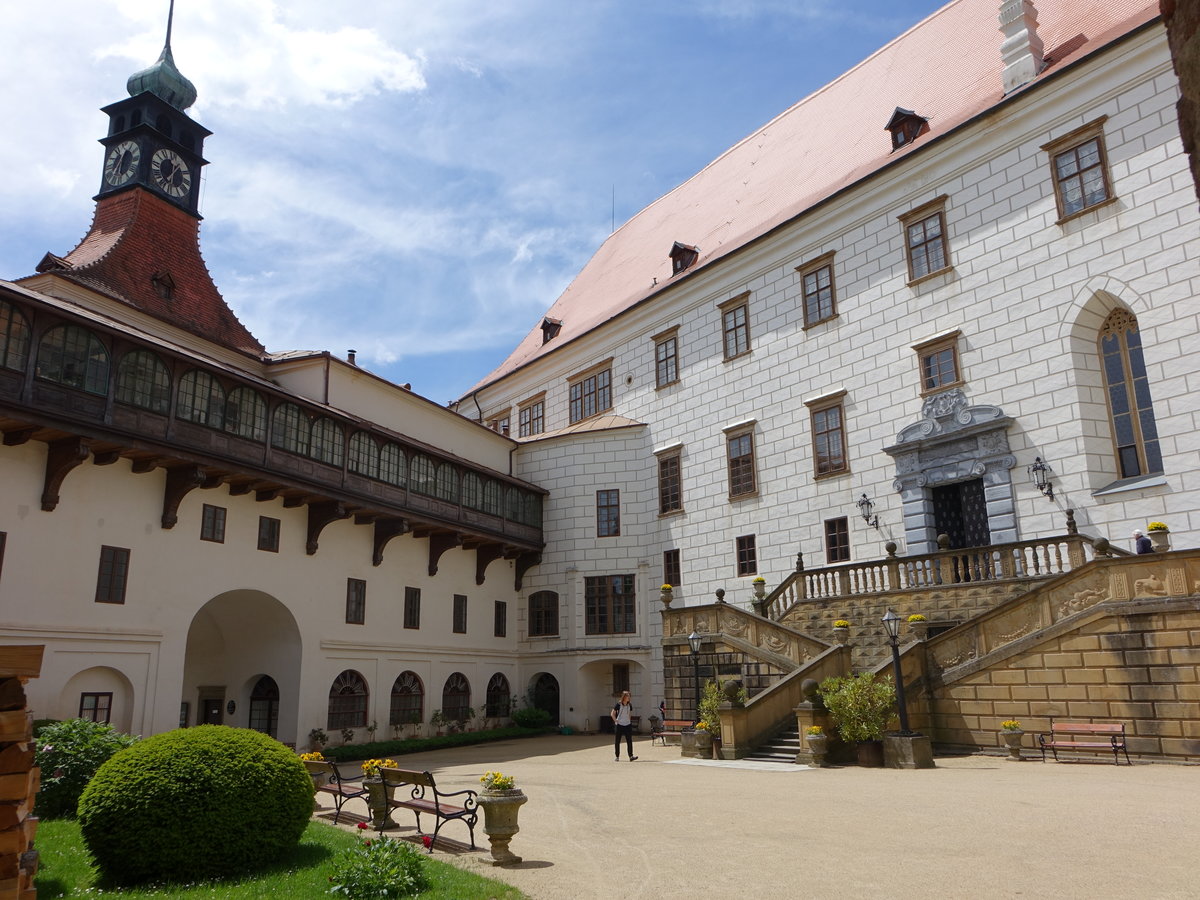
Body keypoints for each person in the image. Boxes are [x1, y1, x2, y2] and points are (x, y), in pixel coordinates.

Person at [611, 690, 638, 761]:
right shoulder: (618, 704)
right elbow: (612, 713)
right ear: (624, 697)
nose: (629, 697)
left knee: (629, 740)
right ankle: (617, 756)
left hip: (627, 724)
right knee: (617, 741)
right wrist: (616, 720)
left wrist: (629, 721)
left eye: (629, 696)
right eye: (627, 696)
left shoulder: (630, 705)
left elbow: (629, 714)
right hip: (619, 725)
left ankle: (631, 756)